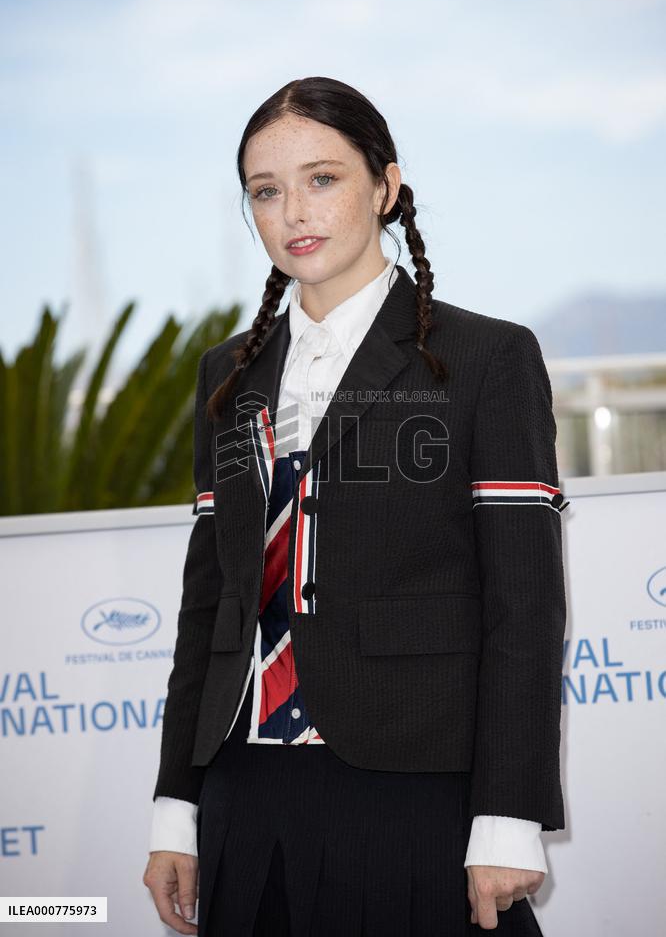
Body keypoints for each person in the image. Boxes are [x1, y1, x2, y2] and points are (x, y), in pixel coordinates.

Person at [143, 76, 568, 936]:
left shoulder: (486, 356)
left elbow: (523, 606)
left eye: (323, 178)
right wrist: (174, 807)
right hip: (245, 788)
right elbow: (209, 605)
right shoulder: (224, 375)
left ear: (386, 185)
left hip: (415, 786)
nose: (293, 209)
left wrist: (509, 816)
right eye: (266, 191)